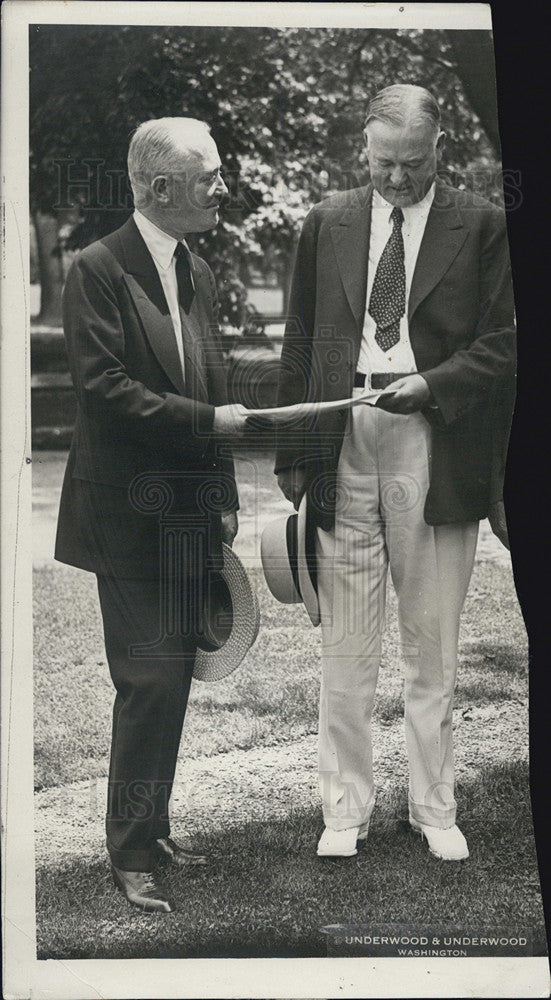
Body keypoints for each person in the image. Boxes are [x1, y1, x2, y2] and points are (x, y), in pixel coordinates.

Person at [275, 84, 515, 861]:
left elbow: (508, 341)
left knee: (430, 641)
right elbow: (300, 337)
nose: (397, 179)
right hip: (342, 433)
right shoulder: (328, 220)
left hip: (433, 438)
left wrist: (434, 385)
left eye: (412, 164)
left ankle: (432, 807)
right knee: (346, 643)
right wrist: (291, 457)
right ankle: (342, 811)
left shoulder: (480, 223)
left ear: (438, 149)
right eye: (383, 163)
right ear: (364, 147)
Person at [55, 118, 250, 911]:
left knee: (173, 676)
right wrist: (210, 426)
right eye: (210, 177)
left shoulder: (195, 267)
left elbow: (208, 376)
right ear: (161, 188)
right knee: (147, 681)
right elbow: (105, 390)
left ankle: (155, 826)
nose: (222, 188)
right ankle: (130, 852)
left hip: (188, 515)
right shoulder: (95, 270)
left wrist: (227, 497)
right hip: (125, 517)